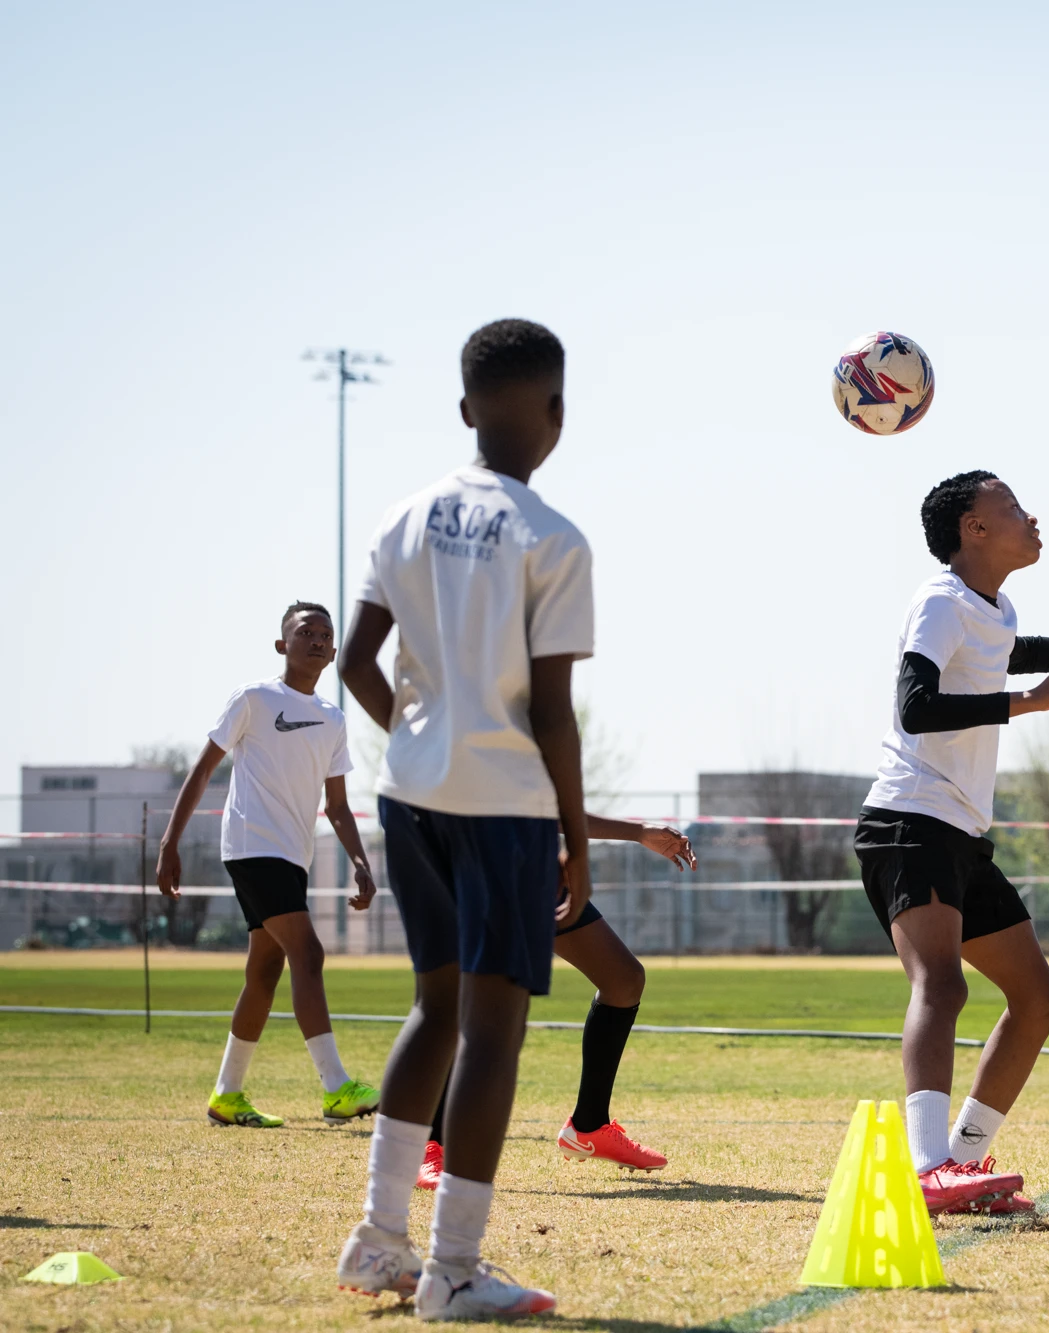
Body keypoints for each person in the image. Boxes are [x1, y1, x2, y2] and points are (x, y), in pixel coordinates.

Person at [334, 319, 589, 1318]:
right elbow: (554, 712)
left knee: (432, 1009)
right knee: (493, 1033)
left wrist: (417, 737)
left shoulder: (402, 516)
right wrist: (574, 837)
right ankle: (451, 1271)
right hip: (503, 805)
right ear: (556, 414)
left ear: (462, 408)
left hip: (411, 796)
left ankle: (377, 1240)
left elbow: (358, 661)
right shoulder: (554, 538)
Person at [856, 470, 1049, 1215]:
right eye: (1012, 505)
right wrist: (1028, 702)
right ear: (974, 527)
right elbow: (917, 705)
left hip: (961, 832)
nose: (1033, 516)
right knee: (944, 983)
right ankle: (927, 1166)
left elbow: (1007, 646)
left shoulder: (989, 606)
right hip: (909, 823)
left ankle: (964, 1161)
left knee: (1037, 997)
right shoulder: (937, 601)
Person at [156, 601, 381, 1129]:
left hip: (292, 856)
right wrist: (170, 843)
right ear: (283, 645)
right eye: (307, 632)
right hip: (253, 847)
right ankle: (335, 1088)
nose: (319, 640)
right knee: (308, 953)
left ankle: (226, 1095)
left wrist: (360, 861)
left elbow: (340, 807)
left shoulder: (333, 719)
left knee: (265, 970)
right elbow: (203, 768)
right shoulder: (254, 698)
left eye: (327, 634)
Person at [415, 813, 695, 1190]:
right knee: (478, 1002)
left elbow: (553, 805)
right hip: (478, 857)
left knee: (623, 979)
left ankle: (589, 1126)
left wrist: (637, 832)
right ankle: (431, 1145)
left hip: (535, 867)